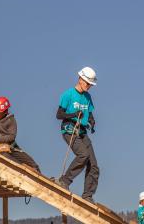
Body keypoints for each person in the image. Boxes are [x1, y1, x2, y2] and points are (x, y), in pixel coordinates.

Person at [56, 66, 99, 203]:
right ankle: (64, 181)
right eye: (87, 83)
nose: (89, 86)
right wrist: (73, 115)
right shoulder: (68, 95)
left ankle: (87, 196)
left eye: (91, 84)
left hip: (82, 132)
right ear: (80, 79)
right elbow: (59, 114)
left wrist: (91, 121)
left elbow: (89, 112)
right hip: (69, 130)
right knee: (83, 155)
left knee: (94, 165)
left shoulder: (87, 97)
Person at [0, 96, 41, 172]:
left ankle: (44, 181)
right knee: (11, 162)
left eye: (0, 112)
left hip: (11, 147)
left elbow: (12, 136)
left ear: (5, 111)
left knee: (32, 164)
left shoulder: (10, 120)